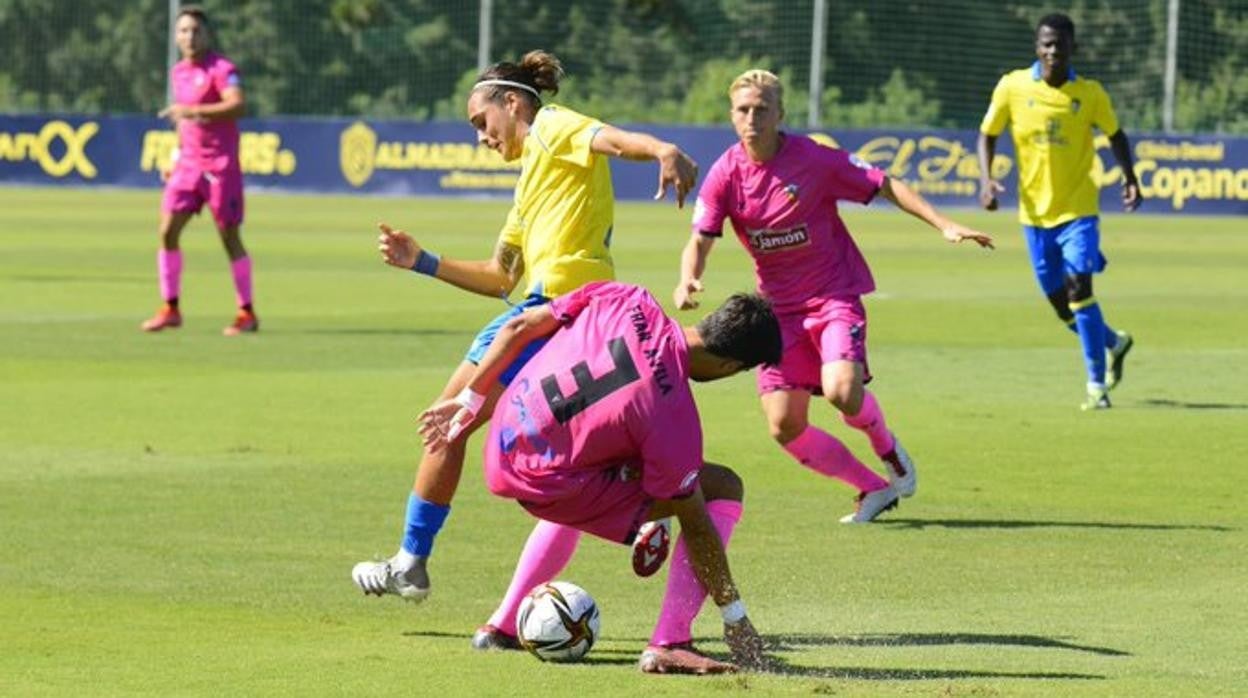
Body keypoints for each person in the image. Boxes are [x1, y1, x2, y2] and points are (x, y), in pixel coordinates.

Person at [350, 51, 699, 608]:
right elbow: (498, 275)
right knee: (565, 442)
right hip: (589, 315)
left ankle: (410, 562)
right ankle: (641, 518)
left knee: (449, 420)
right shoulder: (527, 188)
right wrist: (424, 261)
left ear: (512, 103)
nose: (481, 138)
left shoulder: (551, 127)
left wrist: (662, 149)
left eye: (481, 123)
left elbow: (609, 139)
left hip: (552, 308)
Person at [675, 70, 994, 524]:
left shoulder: (814, 160)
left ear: (780, 114)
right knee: (784, 426)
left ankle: (891, 453)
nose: (752, 118)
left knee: (843, 390)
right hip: (778, 314)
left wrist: (944, 224)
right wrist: (689, 276)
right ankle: (873, 489)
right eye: (744, 110)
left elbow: (884, 183)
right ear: (732, 115)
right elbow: (701, 238)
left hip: (833, 295)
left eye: (762, 109)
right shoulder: (726, 173)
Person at [417, 281, 781, 673]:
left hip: (504, 435)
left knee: (615, 454)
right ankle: (670, 641)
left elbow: (517, 328)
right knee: (721, 486)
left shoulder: (628, 297)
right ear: (729, 366)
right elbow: (696, 525)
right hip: (544, 482)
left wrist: (470, 398)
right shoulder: (673, 418)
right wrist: (734, 615)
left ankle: (501, 626)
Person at [977, 13, 1139, 410]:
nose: (1053, 51)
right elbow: (987, 134)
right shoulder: (1013, 86)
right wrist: (986, 180)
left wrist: (1129, 177)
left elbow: (1116, 135)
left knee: (1081, 290)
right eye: (1046, 44)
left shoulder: (1090, 94)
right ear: (1037, 47)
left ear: (1073, 48)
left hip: (1079, 211)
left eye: (1060, 44)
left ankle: (1095, 387)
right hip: (1034, 217)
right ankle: (1114, 343)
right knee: (1060, 305)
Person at [142, 5, 257, 336]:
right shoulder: (178, 72)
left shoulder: (222, 69)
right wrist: (176, 156)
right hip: (188, 166)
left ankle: (246, 312)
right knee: (167, 233)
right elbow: (183, 123)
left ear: (208, 35)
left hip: (220, 166)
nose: (189, 36)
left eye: (196, 31)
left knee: (229, 236)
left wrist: (192, 111)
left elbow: (237, 104)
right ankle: (170, 308)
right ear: (176, 37)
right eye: (184, 31)